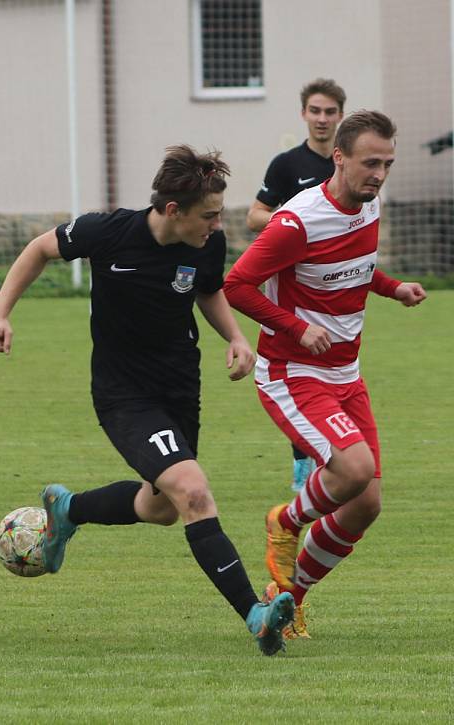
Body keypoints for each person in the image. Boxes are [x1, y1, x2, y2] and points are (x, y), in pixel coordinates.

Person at [0, 144, 296, 656]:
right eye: (209, 216)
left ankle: (69, 508)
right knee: (193, 492)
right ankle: (256, 614)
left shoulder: (205, 243)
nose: (217, 226)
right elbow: (38, 249)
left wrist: (235, 338)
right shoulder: (110, 232)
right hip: (124, 394)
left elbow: (208, 290)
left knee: (161, 507)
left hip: (179, 388)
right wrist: (0, 313)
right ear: (173, 210)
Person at [225, 111, 427, 640]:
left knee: (365, 505)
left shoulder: (368, 203)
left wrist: (392, 287)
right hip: (294, 372)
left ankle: (285, 598)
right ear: (339, 157)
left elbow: (355, 268)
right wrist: (294, 327)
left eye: (387, 163)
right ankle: (285, 521)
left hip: (346, 372)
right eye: (369, 163)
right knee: (354, 470)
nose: (379, 174)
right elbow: (237, 286)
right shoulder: (296, 222)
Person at [246, 78, 347, 493]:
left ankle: (335, 454)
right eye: (315, 111)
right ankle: (303, 465)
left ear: (341, 115)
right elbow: (255, 215)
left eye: (330, 112)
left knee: (337, 370)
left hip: (338, 286)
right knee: (299, 369)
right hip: (292, 288)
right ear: (303, 114)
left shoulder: (349, 164)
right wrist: (294, 226)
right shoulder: (286, 165)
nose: (322, 119)